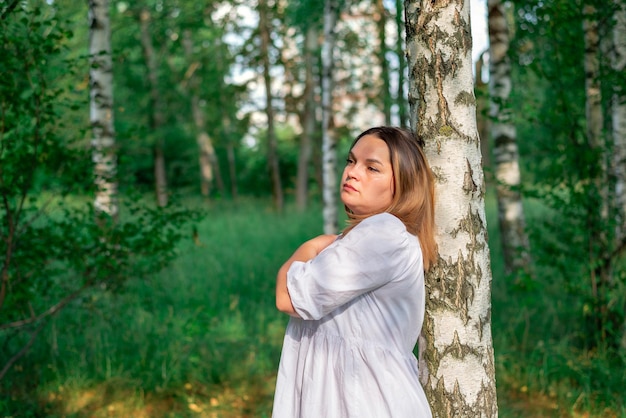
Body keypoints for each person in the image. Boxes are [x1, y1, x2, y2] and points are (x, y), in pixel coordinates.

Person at [272, 126, 436, 418]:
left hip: (364, 402)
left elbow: (288, 297)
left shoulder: (383, 232)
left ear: (403, 185)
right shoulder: (375, 239)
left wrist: (314, 244)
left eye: (372, 168)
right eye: (351, 161)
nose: (352, 172)